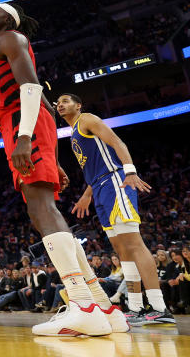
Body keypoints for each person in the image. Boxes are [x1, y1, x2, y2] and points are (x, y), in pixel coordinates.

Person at [0, 3, 119, 336]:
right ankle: (103, 307)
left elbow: (32, 90)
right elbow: (44, 105)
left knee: (41, 209)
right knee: (45, 209)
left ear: (9, 18)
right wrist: (51, 155)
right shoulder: (5, 44)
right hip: (28, 124)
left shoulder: (10, 39)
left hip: (20, 124)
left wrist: (25, 136)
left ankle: (83, 305)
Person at [59, 93, 176, 325]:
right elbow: (94, 168)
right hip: (101, 186)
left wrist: (130, 171)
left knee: (134, 244)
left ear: (78, 105)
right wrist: (86, 195)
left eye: (66, 101)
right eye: (59, 102)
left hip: (116, 181)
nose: (61, 105)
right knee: (122, 250)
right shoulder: (73, 133)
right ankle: (136, 307)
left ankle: (160, 308)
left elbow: (117, 143)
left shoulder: (87, 119)